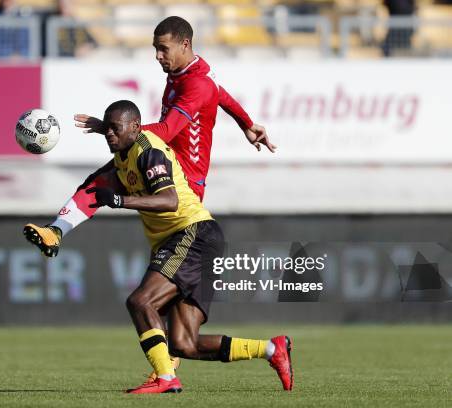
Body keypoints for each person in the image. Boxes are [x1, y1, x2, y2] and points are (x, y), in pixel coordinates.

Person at [24, 100, 293, 394]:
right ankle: (271, 349)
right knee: (183, 343)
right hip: (196, 239)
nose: (109, 135)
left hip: (191, 234)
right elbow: (90, 191)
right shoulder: (123, 157)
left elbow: (169, 201)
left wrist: (119, 201)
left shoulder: (148, 152)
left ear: (136, 127)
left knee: (141, 302)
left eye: (115, 129)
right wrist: (56, 230)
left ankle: (166, 378)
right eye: (107, 129)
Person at [27, 16, 275, 258]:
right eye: (156, 48)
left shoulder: (196, 84)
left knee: (102, 185)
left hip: (184, 181)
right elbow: (220, 93)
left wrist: (112, 129)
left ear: (185, 45)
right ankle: (55, 231)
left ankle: (57, 230)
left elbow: (167, 130)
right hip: (163, 159)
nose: (158, 56)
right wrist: (248, 124)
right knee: (97, 181)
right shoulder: (189, 72)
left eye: (163, 49)